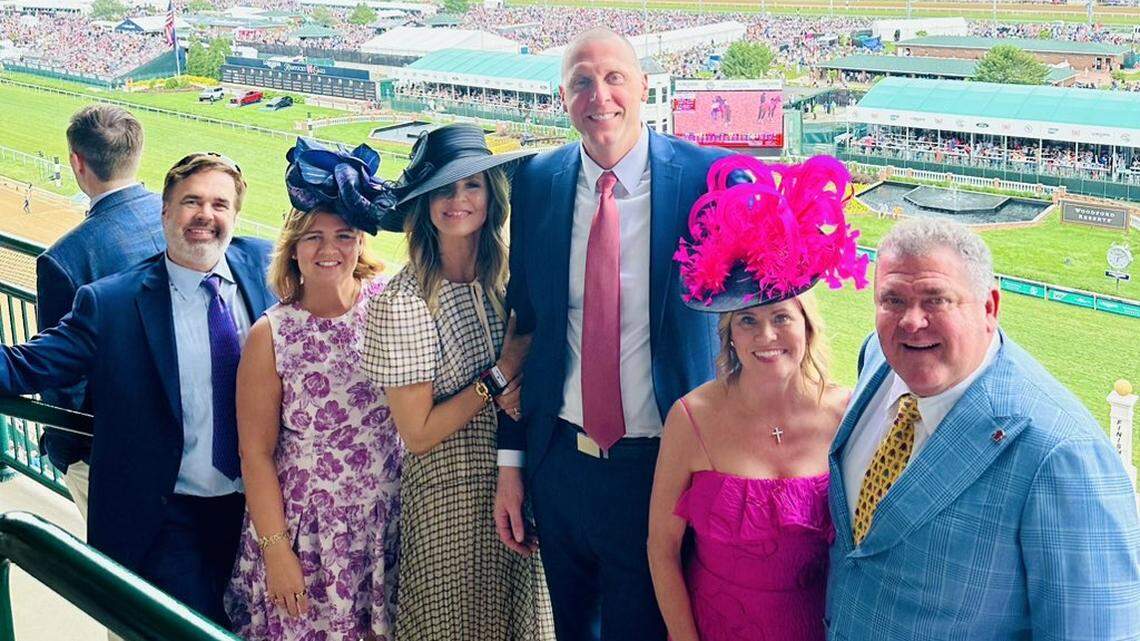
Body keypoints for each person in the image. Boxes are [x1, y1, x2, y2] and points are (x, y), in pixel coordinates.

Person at [496, 27, 732, 641]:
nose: (599, 95)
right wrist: (512, 461)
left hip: (664, 466)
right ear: (563, 98)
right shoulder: (538, 181)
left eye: (614, 77)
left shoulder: (710, 178)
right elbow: (523, 324)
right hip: (562, 464)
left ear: (645, 87)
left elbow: (761, 313)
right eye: (581, 81)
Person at [826, 217, 1140, 640]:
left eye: (936, 300)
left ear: (989, 307)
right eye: (892, 300)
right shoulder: (878, 359)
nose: (911, 322)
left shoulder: (1062, 455)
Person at [0, 154, 274, 627]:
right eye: (191, 202)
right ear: (163, 212)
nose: (205, 216)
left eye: (219, 204)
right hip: (169, 517)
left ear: (235, 215)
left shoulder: (269, 266)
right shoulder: (111, 303)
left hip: (261, 511)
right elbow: (26, 366)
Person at [648, 155, 868, 641]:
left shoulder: (848, 415)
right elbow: (662, 548)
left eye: (782, 317)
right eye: (748, 320)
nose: (766, 335)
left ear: (808, 327)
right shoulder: (692, 418)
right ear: (729, 334)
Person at [362, 124, 554, 640]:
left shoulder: (511, 277)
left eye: (471, 185)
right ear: (423, 206)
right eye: (443, 190)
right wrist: (500, 374)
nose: (458, 200)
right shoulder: (402, 302)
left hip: (524, 490)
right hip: (450, 502)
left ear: (493, 194)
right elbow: (419, 433)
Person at [226, 139, 403, 639]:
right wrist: (277, 551)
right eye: (313, 238)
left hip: (386, 526)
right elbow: (255, 454)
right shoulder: (272, 334)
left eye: (344, 235)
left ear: (361, 242)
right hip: (308, 537)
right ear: (293, 248)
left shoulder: (388, 306)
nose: (329, 250)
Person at [36, 104, 165, 521]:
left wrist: (64, 451)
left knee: (117, 573)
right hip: (188, 438)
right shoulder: (184, 218)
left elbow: (61, 375)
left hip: (106, 450)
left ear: (77, 162)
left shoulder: (64, 259)